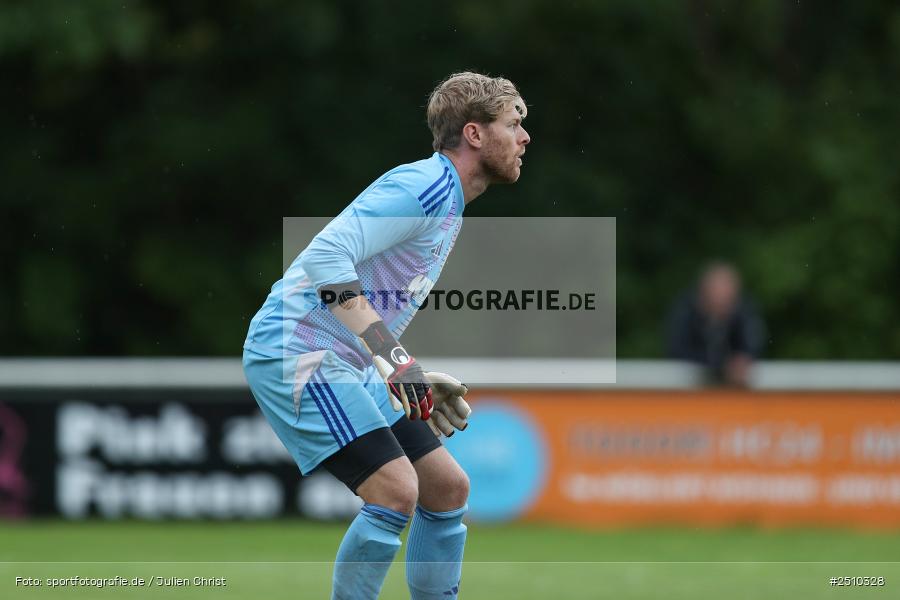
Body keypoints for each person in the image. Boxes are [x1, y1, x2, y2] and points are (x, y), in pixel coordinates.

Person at [242, 72, 530, 599]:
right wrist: (393, 358)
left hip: (344, 358)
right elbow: (326, 256)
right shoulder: (425, 185)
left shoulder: (447, 200)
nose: (524, 137)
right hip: (296, 350)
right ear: (474, 133)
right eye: (514, 124)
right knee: (396, 491)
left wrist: (396, 366)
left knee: (447, 488)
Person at [666, 261, 765, 387]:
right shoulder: (685, 313)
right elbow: (677, 351)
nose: (723, 302)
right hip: (688, 387)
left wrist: (742, 360)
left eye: (728, 297)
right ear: (704, 293)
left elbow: (753, 346)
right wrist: (721, 366)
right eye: (718, 294)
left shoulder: (745, 313)